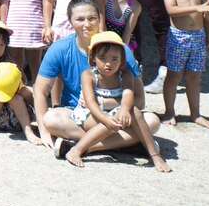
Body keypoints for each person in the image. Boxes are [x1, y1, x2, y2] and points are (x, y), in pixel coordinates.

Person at [34, 0, 163, 162]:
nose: (87, 24)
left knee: (152, 121)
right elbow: (40, 90)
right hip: (80, 114)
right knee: (51, 120)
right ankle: (128, 144)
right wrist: (44, 131)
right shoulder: (60, 48)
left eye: (92, 18)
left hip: (119, 114)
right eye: (80, 19)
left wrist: (106, 103)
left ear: (99, 18)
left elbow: (139, 100)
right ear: (70, 21)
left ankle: (85, 146)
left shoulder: (120, 50)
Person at [63, 31, 171, 171]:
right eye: (102, 58)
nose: (108, 63)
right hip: (91, 115)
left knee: (134, 111)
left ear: (122, 60)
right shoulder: (88, 75)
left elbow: (128, 94)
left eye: (114, 59)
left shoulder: (125, 75)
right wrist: (105, 118)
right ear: (93, 57)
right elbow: (90, 102)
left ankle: (154, 155)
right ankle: (77, 149)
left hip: (116, 114)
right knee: (117, 119)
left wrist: (125, 109)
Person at [161, 0, 209, 128]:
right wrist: (198, 8)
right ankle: (169, 112)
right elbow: (171, 10)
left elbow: (207, 17)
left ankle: (195, 114)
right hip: (178, 36)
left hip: (199, 36)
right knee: (174, 76)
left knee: (195, 77)